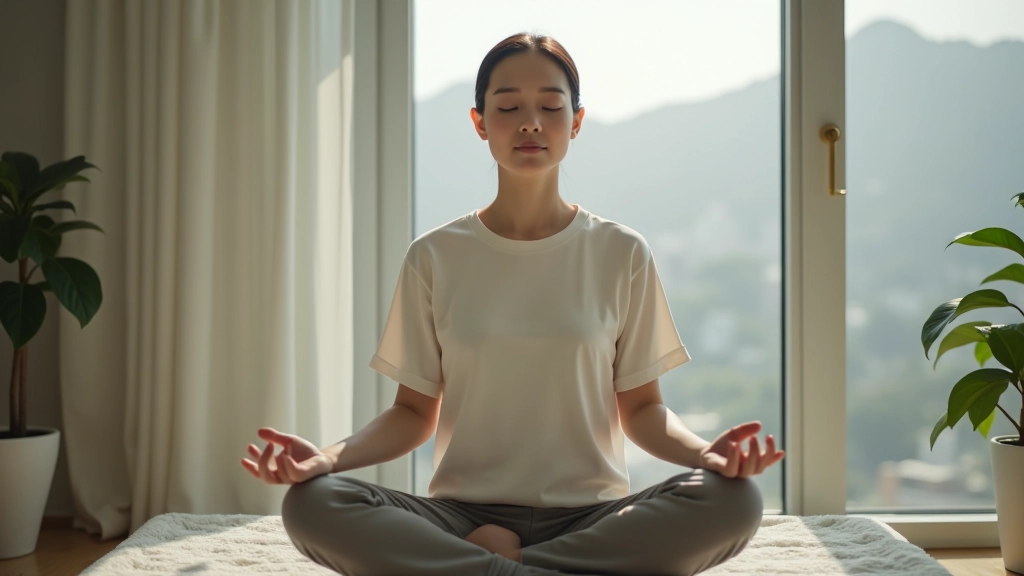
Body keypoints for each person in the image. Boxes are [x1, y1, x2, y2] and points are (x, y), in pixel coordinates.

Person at [241, 32, 785, 576]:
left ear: (575, 121)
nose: (531, 122)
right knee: (312, 503)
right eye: (509, 107)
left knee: (734, 500)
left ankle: (496, 567)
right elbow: (412, 414)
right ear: (480, 122)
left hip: (591, 519)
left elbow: (641, 411)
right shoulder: (434, 256)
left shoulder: (622, 252)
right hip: (460, 516)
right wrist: (326, 459)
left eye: (551, 106)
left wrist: (706, 455)